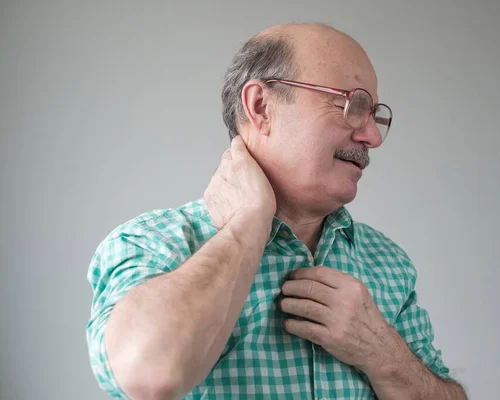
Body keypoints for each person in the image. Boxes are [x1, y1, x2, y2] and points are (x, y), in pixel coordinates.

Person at [86, 23, 467, 400]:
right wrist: (247, 226)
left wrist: (383, 354)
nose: (373, 137)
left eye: (374, 114)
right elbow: (150, 374)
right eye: (353, 105)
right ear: (261, 107)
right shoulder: (152, 243)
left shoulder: (388, 263)